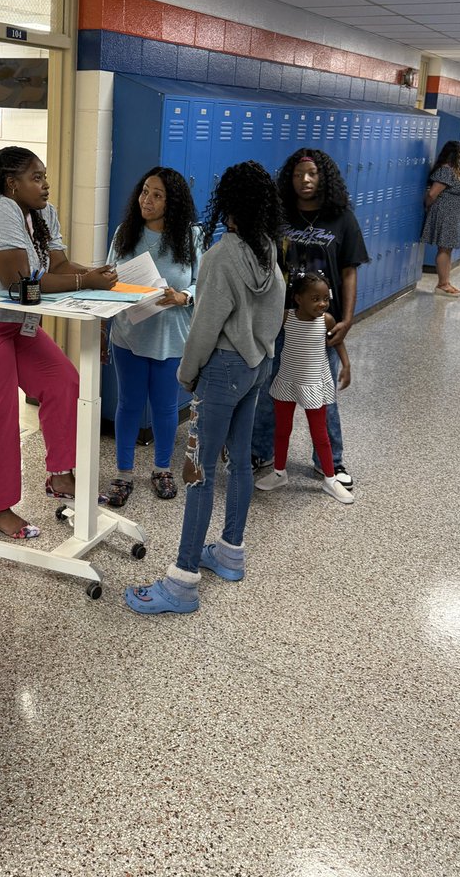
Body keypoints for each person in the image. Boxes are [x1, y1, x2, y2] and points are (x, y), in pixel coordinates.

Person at [124, 161, 285, 615]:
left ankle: (181, 582)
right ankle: (231, 552)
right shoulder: (267, 250)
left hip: (220, 372)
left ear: (228, 204)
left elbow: (204, 326)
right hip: (256, 367)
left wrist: (187, 373)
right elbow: (274, 312)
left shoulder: (221, 256)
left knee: (197, 472)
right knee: (236, 465)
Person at [0, 146, 117, 538]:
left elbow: (59, 267)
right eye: (36, 178)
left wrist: (99, 277)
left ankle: (61, 476)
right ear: (12, 183)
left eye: (44, 176)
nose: (45, 185)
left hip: (18, 323)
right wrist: (85, 282)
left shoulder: (41, 211)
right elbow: (20, 284)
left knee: (64, 382)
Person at [252, 149, 369, 492]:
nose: (305, 180)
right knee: (271, 389)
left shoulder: (341, 218)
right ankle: (260, 452)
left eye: (312, 174)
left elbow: (348, 271)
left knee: (324, 391)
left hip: (321, 322)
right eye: (298, 174)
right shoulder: (279, 216)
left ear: (324, 178)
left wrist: (347, 319)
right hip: (280, 319)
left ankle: (329, 462)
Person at [104, 167, 203, 507]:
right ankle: (124, 473)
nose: (147, 200)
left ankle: (162, 469)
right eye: (145, 191)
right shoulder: (124, 233)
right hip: (129, 334)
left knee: (164, 407)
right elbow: (109, 281)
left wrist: (183, 296)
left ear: (172, 202)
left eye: (157, 195)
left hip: (171, 336)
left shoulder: (191, 238)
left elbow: (202, 283)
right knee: (128, 404)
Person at [268, 269, 353, 505]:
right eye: (315, 299)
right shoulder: (287, 317)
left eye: (325, 299)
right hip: (287, 379)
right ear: (298, 298)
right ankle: (279, 472)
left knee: (320, 435)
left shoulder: (327, 320)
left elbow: (338, 343)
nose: (322, 304)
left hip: (314, 383)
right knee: (282, 430)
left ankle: (330, 479)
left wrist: (346, 366)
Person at [422, 140, 460, 297]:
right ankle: (441, 284)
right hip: (445, 215)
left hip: (451, 215)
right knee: (444, 249)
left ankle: (446, 282)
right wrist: (428, 207)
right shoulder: (445, 171)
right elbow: (432, 194)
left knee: (447, 249)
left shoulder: (452, 171)